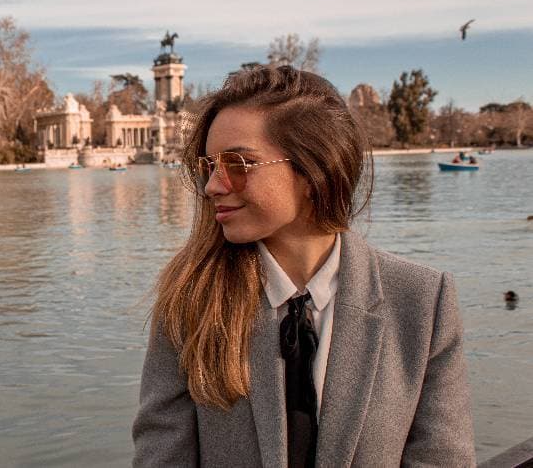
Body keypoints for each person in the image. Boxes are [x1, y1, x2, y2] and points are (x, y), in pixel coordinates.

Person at [132, 66, 474, 467]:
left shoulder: (422, 302)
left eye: (238, 165)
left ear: (314, 171)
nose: (212, 186)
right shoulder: (190, 300)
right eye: (209, 166)